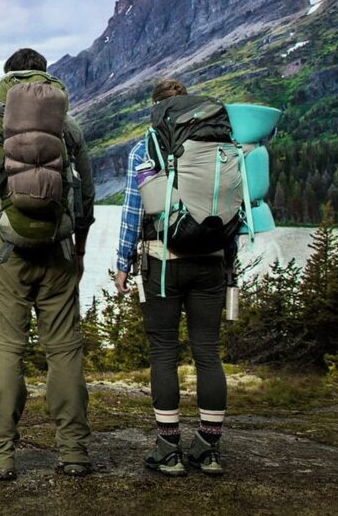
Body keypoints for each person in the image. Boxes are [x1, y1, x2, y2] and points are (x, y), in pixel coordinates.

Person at [0, 47, 96, 480]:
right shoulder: (66, 125)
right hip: (58, 251)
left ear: (7, 77)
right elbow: (86, 196)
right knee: (65, 352)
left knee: (5, 352)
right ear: (45, 79)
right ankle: (73, 452)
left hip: (6, 252)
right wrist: (80, 249)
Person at [114, 78, 228, 476]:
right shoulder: (220, 146)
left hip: (162, 262)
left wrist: (122, 262)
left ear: (156, 109)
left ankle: (168, 449)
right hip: (212, 261)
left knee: (164, 351)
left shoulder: (144, 148)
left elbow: (133, 210)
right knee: (207, 353)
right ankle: (209, 449)